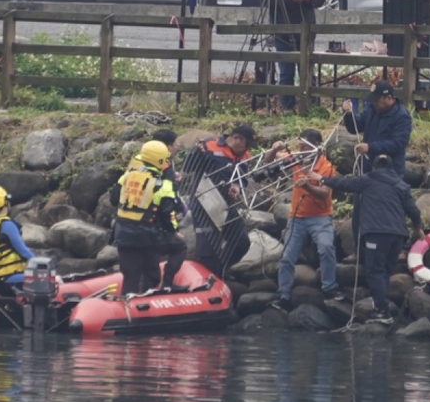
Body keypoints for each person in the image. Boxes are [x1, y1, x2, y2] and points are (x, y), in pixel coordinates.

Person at [309, 155, 424, 325]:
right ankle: (383, 308)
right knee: (385, 271)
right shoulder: (402, 185)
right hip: (399, 236)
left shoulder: (368, 179)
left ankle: (382, 312)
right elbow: (413, 210)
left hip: (377, 233)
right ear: (391, 168)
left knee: (374, 271)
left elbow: (343, 184)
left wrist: (321, 179)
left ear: (374, 168)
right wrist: (418, 229)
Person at [263, 129, 343, 311]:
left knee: (326, 248)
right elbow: (268, 162)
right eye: (299, 147)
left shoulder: (326, 167)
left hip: (320, 218)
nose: (300, 150)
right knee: (287, 257)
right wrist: (274, 149)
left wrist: (306, 185)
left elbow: (324, 194)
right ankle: (282, 295)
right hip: (297, 218)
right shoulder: (294, 159)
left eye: (304, 147)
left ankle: (330, 287)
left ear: (316, 147)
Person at [110, 141, 188, 295]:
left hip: (123, 235)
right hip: (148, 235)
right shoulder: (162, 184)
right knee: (180, 246)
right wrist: (174, 231)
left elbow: (113, 199)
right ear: (160, 161)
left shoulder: (127, 175)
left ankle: (131, 309)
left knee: (131, 279)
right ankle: (167, 284)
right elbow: (168, 213)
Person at [265, 0, 326, 113]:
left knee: (307, 71)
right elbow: (267, 0)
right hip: (282, 31)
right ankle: (288, 109)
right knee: (286, 73)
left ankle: (311, 108)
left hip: (305, 28)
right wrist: (290, 0)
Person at [194, 124, 256, 277]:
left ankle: (221, 270)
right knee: (208, 248)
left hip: (225, 204)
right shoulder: (208, 145)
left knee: (241, 242)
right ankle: (206, 278)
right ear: (236, 139)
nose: (247, 149)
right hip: (203, 202)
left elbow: (242, 177)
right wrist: (196, 154)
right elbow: (190, 167)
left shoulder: (244, 155)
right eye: (246, 145)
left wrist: (237, 187)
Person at [342, 80, 412, 178]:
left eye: (377, 100)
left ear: (389, 98)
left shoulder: (402, 117)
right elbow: (355, 128)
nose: (374, 103)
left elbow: (397, 144)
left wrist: (370, 147)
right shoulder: (371, 109)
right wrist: (349, 114)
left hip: (390, 171)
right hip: (368, 168)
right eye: (373, 100)